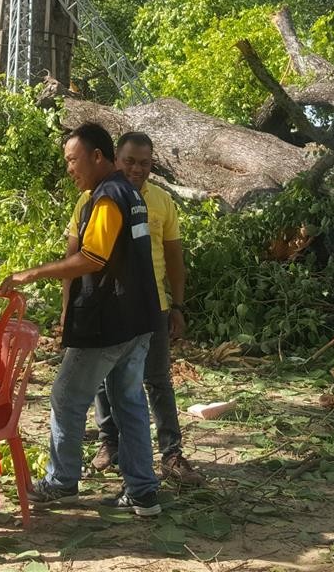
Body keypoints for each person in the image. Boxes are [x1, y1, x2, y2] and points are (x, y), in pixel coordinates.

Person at [0, 123, 164, 516]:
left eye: (73, 160)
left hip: (109, 322)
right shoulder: (131, 194)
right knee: (129, 402)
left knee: (66, 397)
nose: (70, 168)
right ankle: (143, 491)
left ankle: (62, 481)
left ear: (96, 156)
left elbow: (93, 257)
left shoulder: (108, 197)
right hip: (140, 320)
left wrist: (32, 273)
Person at [80, 132, 203, 485]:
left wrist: (178, 305)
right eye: (130, 161)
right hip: (108, 308)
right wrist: (68, 310)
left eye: (145, 163)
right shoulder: (95, 199)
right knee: (105, 382)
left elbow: (175, 258)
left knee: (158, 380)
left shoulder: (162, 202)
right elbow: (78, 256)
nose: (137, 169)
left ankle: (171, 454)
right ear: (114, 159)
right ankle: (110, 445)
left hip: (153, 309)